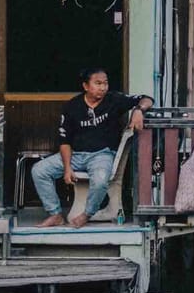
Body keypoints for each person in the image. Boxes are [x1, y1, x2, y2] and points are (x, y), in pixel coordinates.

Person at [30, 67, 153, 227]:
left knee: (101, 180)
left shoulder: (114, 100)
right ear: (86, 86)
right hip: (76, 155)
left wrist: (138, 110)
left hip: (102, 156)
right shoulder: (72, 106)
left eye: (105, 83)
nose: (103, 87)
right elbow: (64, 141)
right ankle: (55, 214)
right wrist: (67, 168)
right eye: (98, 83)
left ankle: (87, 214)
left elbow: (147, 98)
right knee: (39, 170)